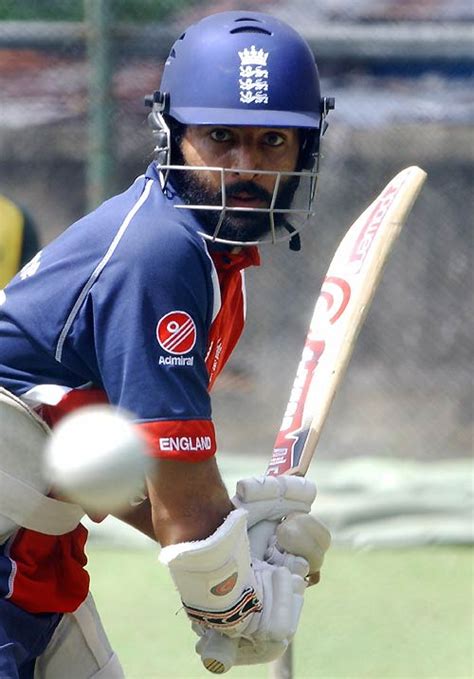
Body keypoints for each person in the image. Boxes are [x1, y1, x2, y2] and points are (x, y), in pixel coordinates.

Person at [0, 10, 334, 678]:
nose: (246, 167)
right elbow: (183, 508)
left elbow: (142, 478)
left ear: (307, 150)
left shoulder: (207, 256)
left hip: (31, 546)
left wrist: (242, 538)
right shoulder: (163, 256)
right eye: (220, 138)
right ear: (173, 134)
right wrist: (237, 595)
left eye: (273, 141)